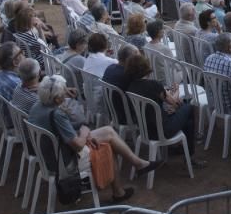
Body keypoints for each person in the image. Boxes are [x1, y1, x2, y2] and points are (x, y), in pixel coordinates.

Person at [28, 75, 160, 203]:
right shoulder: (56, 114)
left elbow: (63, 130)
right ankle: (119, 190)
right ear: (56, 99)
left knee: (108, 132)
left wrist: (84, 132)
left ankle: (137, 165)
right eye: (64, 92)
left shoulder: (37, 106)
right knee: (108, 146)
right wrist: (85, 133)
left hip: (48, 158)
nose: (66, 94)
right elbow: (78, 145)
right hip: (63, 163)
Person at [123, 54, 207, 168]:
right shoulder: (153, 85)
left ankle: (184, 150)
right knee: (189, 107)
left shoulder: (130, 86)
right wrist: (176, 90)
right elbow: (175, 102)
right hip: (162, 130)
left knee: (187, 119)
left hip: (145, 130)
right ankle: (190, 155)